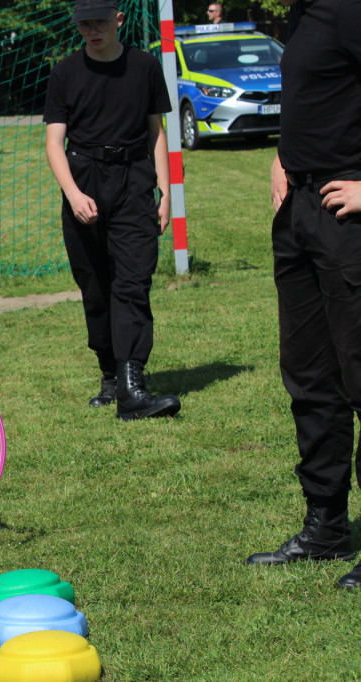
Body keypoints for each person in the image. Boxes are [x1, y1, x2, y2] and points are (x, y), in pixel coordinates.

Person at [243, 0, 361, 591]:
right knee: (311, 376)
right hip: (300, 213)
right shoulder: (304, 15)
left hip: (348, 222)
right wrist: (283, 155)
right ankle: (327, 525)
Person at [43, 0, 180, 421]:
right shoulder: (65, 72)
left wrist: (165, 189)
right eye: (84, 25)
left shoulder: (144, 67)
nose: (92, 31)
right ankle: (110, 374)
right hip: (83, 179)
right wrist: (72, 193)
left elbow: (156, 130)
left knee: (133, 281)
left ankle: (132, 383)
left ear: (118, 20)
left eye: (99, 22)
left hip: (134, 180)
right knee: (97, 286)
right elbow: (54, 143)